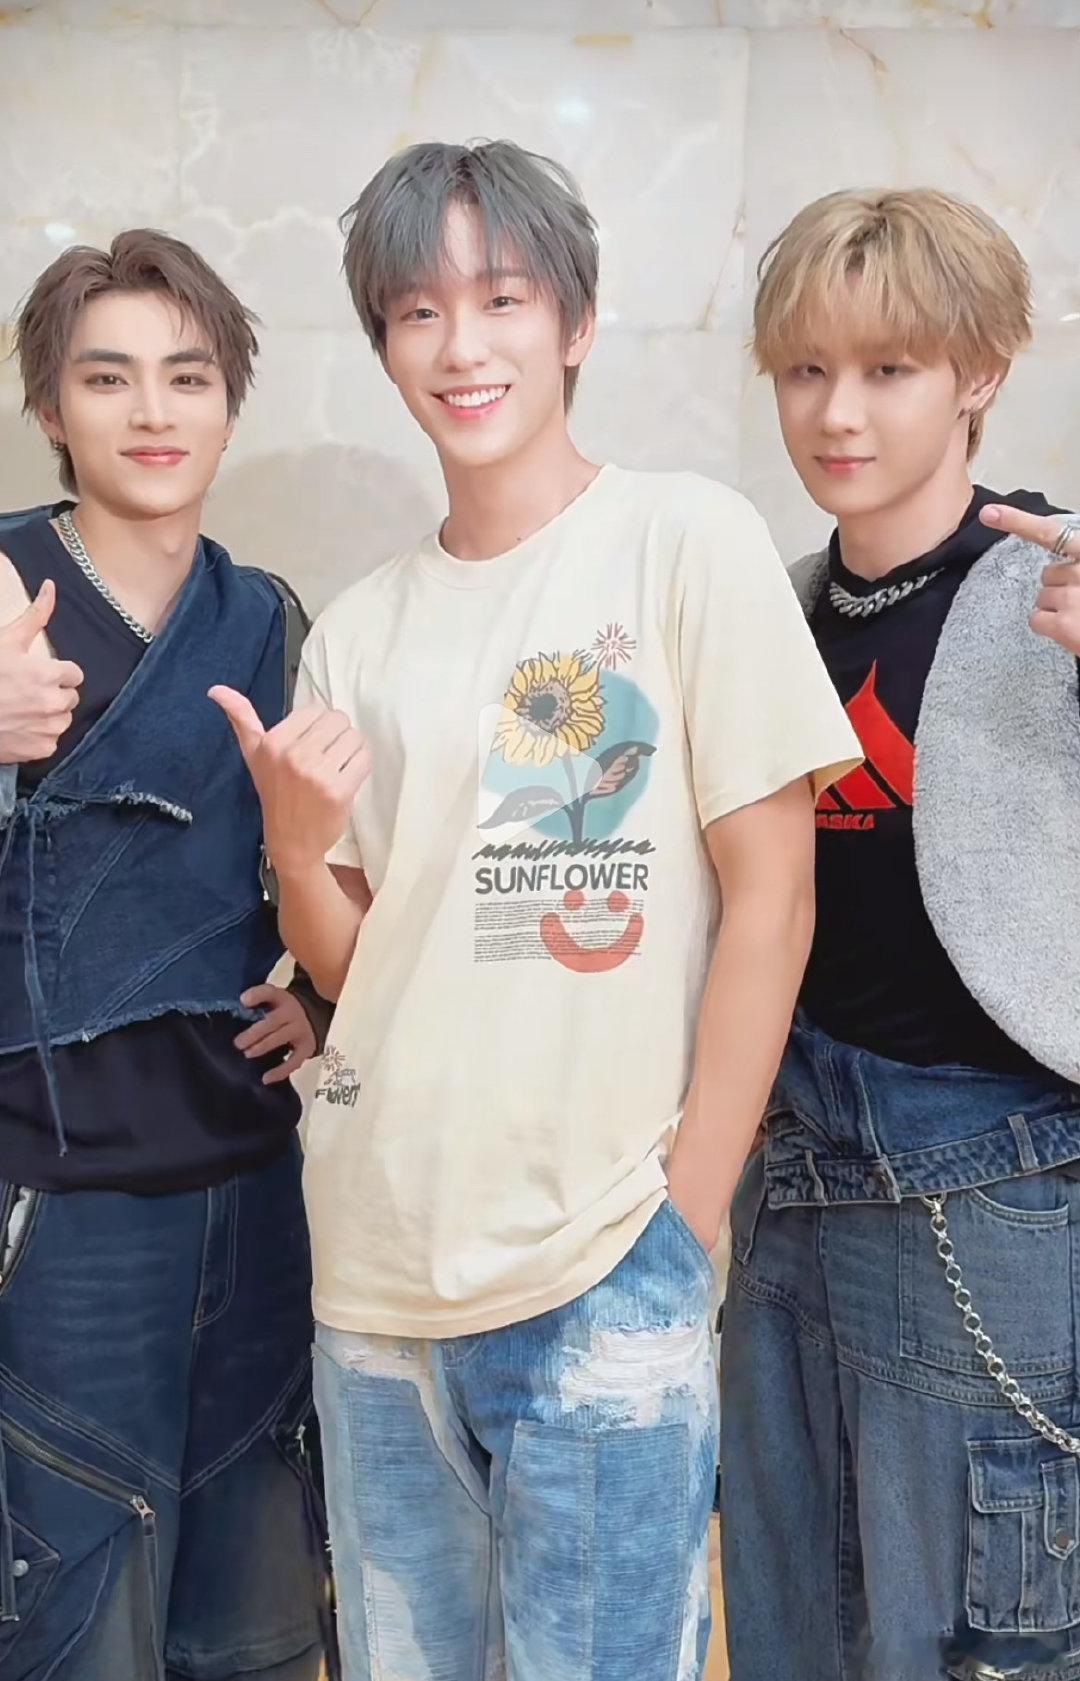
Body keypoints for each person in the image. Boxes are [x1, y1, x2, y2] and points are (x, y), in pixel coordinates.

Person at [214, 139, 860, 1681]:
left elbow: (774, 899)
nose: (463, 344)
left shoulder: (683, 540)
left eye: (503, 297)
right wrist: (296, 846)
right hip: (376, 1284)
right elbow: (361, 966)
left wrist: (680, 1222)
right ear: (385, 345)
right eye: (418, 311)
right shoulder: (359, 630)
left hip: (604, 1267)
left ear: (575, 320)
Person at [720, 186, 1080, 1681]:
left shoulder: (1055, 586)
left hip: (996, 1182)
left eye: (888, 369)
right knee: (792, 1628)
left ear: (978, 373)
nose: (838, 412)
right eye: (808, 370)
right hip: (791, 1177)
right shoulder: (782, 614)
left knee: (976, 1641)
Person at [0, 229, 336, 1680]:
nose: (152, 411)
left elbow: (319, 862)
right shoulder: (4, 585)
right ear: (50, 405)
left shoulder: (268, 618)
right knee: (75, 1623)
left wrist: (320, 992)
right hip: (57, 1207)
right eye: (108, 377)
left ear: (229, 404)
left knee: (254, 1631)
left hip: (255, 1191)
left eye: (187, 377)